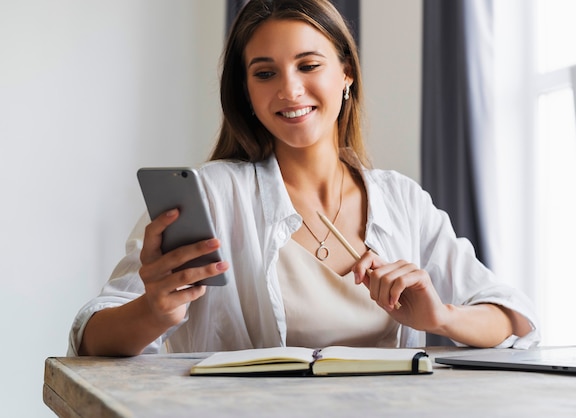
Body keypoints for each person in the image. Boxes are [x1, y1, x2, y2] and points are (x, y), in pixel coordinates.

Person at [69, 0, 539, 357]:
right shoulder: (212, 196)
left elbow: (511, 318)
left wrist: (443, 316)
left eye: (309, 65)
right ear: (247, 92)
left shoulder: (402, 200)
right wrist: (153, 310)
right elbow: (90, 335)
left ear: (346, 74)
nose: (289, 90)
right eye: (265, 73)